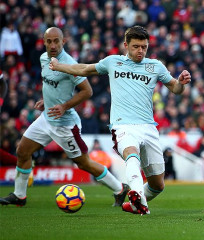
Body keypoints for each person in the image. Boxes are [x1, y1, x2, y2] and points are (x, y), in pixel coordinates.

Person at [49, 25, 191, 215]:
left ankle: (135, 201)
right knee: (132, 154)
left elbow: (175, 88)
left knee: (158, 185)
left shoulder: (155, 66)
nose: (140, 51)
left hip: (148, 127)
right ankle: (137, 195)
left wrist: (181, 84)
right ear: (126, 45)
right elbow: (84, 69)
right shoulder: (113, 62)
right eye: (136, 46)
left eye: (144, 47)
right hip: (122, 124)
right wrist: (59, 66)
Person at [0, 27, 129, 207]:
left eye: (56, 41)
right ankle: (19, 195)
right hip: (47, 118)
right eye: (49, 41)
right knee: (22, 151)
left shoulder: (70, 64)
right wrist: (47, 101)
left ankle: (120, 188)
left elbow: (87, 91)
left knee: (83, 163)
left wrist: (64, 106)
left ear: (63, 42)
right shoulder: (44, 58)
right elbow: (51, 84)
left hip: (65, 124)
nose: (53, 45)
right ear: (44, 42)